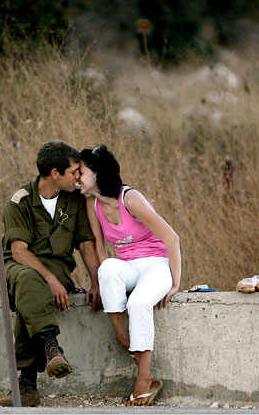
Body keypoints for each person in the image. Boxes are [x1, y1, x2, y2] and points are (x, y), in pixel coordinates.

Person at [0, 141, 101, 407]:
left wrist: (97, 283)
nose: (79, 177)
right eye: (74, 171)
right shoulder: (19, 201)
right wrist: (50, 279)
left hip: (55, 273)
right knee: (28, 280)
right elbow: (19, 252)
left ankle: (27, 385)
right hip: (17, 269)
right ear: (55, 173)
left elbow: (86, 244)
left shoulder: (76, 202)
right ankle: (51, 345)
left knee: (30, 294)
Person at [78, 144, 181, 407]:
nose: (77, 177)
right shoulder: (92, 204)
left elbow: (171, 237)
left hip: (156, 264)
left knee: (138, 303)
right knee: (108, 268)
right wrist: (106, 281)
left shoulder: (130, 199)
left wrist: (175, 281)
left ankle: (144, 378)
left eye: (81, 171)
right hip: (129, 267)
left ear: (97, 174)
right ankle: (123, 336)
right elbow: (101, 249)